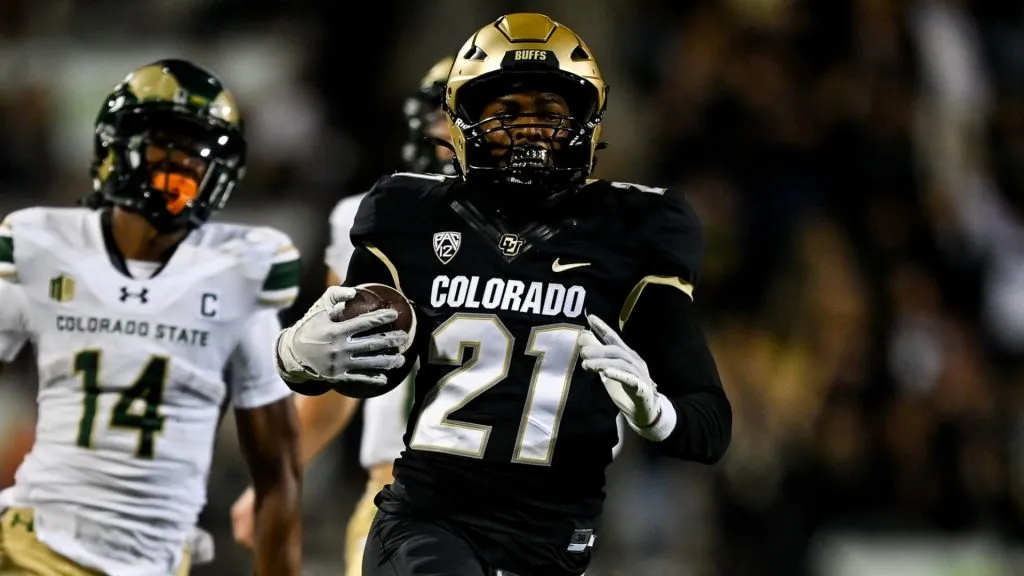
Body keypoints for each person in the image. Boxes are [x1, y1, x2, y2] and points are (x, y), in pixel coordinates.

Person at [275, 12, 732, 576]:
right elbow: (366, 366)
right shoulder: (408, 214)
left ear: (586, 122)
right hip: (427, 519)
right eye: (506, 114)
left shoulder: (635, 229)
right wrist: (296, 355)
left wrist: (656, 413)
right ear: (463, 124)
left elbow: (709, 426)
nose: (529, 133)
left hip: (551, 539)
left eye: (549, 114)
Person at [0, 59, 303, 576]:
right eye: (168, 142)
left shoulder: (237, 274)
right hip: (38, 544)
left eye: (200, 151)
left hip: (159, 561)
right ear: (117, 145)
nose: (184, 163)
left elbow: (280, 475)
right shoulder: (43, 247)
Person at [229, 54, 457, 576]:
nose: (448, 128)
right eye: (445, 112)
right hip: (406, 493)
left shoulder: (568, 231)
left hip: (531, 503)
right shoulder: (376, 214)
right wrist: (278, 478)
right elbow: (339, 372)